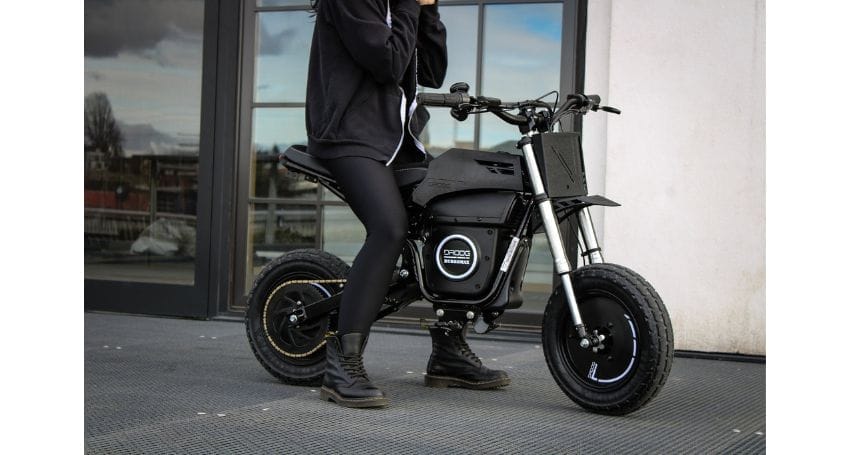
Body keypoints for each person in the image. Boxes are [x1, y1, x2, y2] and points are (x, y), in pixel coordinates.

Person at [305, 0, 510, 409]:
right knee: (389, 228)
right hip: (349, 136)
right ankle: (343, 365)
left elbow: (430, 71)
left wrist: (428, 12)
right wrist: (409, 6)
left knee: (455, 213)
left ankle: (448, 350)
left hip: (395, 142)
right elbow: (387, 62)